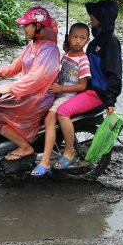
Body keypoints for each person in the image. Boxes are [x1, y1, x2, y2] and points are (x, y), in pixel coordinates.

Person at [49, 0, 123, 170]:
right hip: (86, 89)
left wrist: (110, 100)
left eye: (94, 15)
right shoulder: (94, 42)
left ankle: (69, 152)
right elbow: (82, 65)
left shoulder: (110, 42)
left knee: (63, 111)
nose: (91, 17)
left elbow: (114, 73)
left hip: (97, 93)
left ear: (103, 17)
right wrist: (71, 49)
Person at [0, 6, 60, 171]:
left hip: (40, 96)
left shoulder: (50, 49)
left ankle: (25, 147)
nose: (24, 28)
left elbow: (38, 78)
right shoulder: (33, 44)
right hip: (29, 92)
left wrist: (10, 88)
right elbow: (17, 65)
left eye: (27, 25)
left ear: (38, 26)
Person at [32, 23, 91, 177]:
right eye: (74, 37)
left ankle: (47, 160)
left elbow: (82, 86)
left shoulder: (83, 61)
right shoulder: (68, 54)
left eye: (82, 38)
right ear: (69, 38)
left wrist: (61, 89)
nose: (78, 41)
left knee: (50, 119)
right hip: (58, 92)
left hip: (67, 95)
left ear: (87, 40)